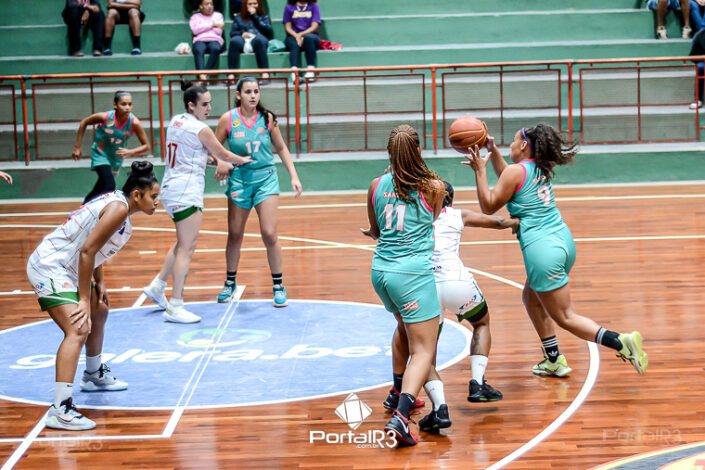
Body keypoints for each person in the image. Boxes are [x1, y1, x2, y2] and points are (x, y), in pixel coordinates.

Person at [464, 124, 648, 377]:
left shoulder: (516, 172)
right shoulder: (536, 167)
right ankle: (553, 360)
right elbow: (508, 177)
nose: (510, 145)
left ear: (524, 145)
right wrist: (492, 150)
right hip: (562, 240)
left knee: (565, 317)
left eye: (513, 141)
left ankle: (619, 341)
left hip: (543, 252)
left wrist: (479, 171)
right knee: (531, 298)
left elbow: (488, 205)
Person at [26, 161, 159, 431]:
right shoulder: (118, 209)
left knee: (100, 310)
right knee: (78, 328)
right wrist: (83, 299)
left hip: (69, 267)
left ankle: (93, 373)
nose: (158, 202)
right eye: (154, 196)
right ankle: (60, 409)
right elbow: (87, 251)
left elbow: (94, 249)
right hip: (51, 265)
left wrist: (100, 284)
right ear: (137, 195)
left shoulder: (122, 210)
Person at [376, 181, 518, 433]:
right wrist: (515, 222)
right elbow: (496, 221)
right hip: (457, 283)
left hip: (426, 288)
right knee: (481, 323)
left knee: (423, 353)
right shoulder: (457, 215)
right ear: (450, 200)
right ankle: (477, 383)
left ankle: (440, 409)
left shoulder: (418, 216)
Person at [362, 124, 446, 447]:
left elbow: (375, 231)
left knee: (403, 328)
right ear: (418, 151)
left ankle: (397, 390)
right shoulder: (434, 188)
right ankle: (401, 415)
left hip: (381, 273)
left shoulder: (375, 185)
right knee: (424, 349)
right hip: (412, 276)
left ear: (389, 153)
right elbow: (431, 221)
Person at [142, 81, 251, 324]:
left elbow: (196, 155)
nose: (209, 108)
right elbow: (222, 153)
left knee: (182, 242)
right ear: (191, 105)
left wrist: (219, 162)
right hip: (185, 192)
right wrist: (242, 160)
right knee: (187, 248)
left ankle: (158, 286)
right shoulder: (201, 128)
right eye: (204, 104)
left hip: (170, 188)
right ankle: (176, 305)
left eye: (210, 103)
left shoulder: (176, 121)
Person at [213, 77, 302, 307]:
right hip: (240, 180)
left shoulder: (267, 118)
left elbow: (281, 147)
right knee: (235, 234)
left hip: (266, 179)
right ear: (238, 95)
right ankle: (230, 282)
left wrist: (293, 175)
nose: (253, 95)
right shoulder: (228, 119)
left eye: (256, 91)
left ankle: (278, 285)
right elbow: (213, 148)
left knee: (269, 233)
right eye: (248, 92)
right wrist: (220, 162)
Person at [72, 91, 150, 204]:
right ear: (115, 105)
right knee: (110, 185)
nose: (127, 107)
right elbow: (84, 122)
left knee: (101, 186)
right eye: (123, 104)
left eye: (130, 104)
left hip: (115, 158)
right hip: (100, 153)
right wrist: (77, 147)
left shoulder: (134, 123)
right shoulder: (105, 117)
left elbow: (146, 146)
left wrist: (130, 152)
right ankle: (98, 210)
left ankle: (84, 207)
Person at [227, 0, 273, 80]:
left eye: (255, 3)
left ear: (259, 4)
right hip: (244, 39)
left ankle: (265, 74)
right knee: (234, 41)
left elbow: (268, 30)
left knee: (259, 40)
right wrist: (242, 33)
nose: (252, 6)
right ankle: (231, 74)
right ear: (245, 5)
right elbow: (232, 33)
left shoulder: (264, 16)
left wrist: (255, 16)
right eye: (250, 4)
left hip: (258, 38)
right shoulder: (239, 17)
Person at [283, 0, 321, 82]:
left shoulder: (314, 6)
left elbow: (315, 26)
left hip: (311, 35)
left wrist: (302, 34)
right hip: (293, 35)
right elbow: (287, 27)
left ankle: (311, 70)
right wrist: (297, 36)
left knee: (309, 39)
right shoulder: (289, 7)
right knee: (294, 43)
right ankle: (294, 73)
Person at [189, 0, 226, 80]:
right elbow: (195, 31)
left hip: (215, 39)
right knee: (198, 49)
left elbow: (218, 31)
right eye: (206, 4)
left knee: (216, 49)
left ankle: (203, 74)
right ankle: (202, 75)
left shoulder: (218, 15)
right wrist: (212, 25)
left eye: (211, 4)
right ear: (201, 6)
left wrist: (202, 27)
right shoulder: (195, 17)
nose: (209, 6)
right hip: (200, 39)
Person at [690, 28, 705, 109]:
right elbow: (693, 56)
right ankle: (698, 100)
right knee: (700, 68)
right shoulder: (700, 35)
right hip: (703, 61)